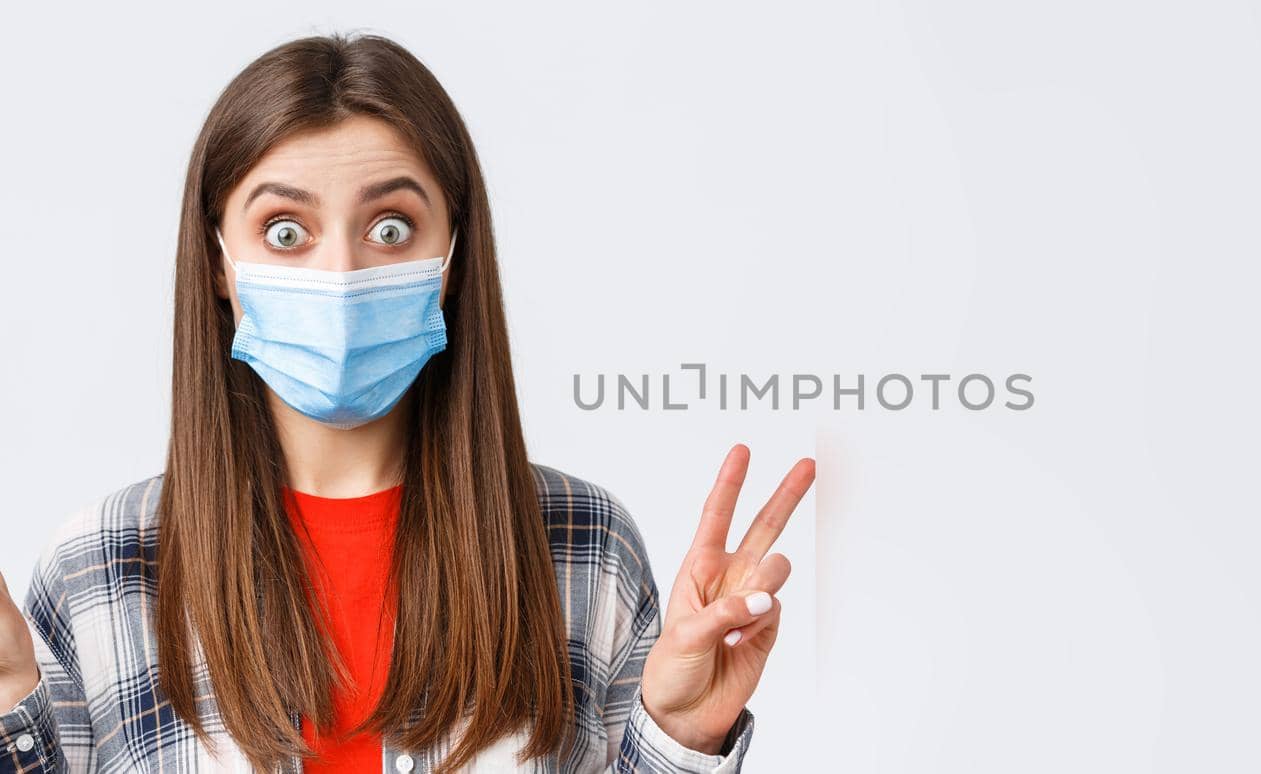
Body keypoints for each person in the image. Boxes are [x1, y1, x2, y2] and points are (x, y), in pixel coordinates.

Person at [0, 32, 813, 773]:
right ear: (218, 261)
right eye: (285, 231)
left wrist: (681, 736)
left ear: (454, 255)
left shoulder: (581, 547)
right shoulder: (100, 566)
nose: (342, 275)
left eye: (390, 228)